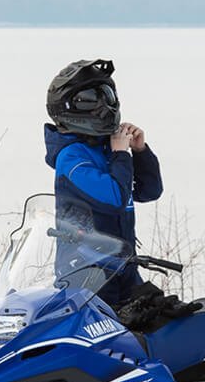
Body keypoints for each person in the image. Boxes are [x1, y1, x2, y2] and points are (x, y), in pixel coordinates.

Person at [43, 59, 163, 306]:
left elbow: (149, 191)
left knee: (158, 323)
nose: (105, 104)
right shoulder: (72, 157)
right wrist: (121, 155)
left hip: (123, 267)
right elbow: (114, 199)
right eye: (94, 98)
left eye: (107, 95)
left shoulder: (106, 148)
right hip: (87, 274)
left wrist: (140, 152)